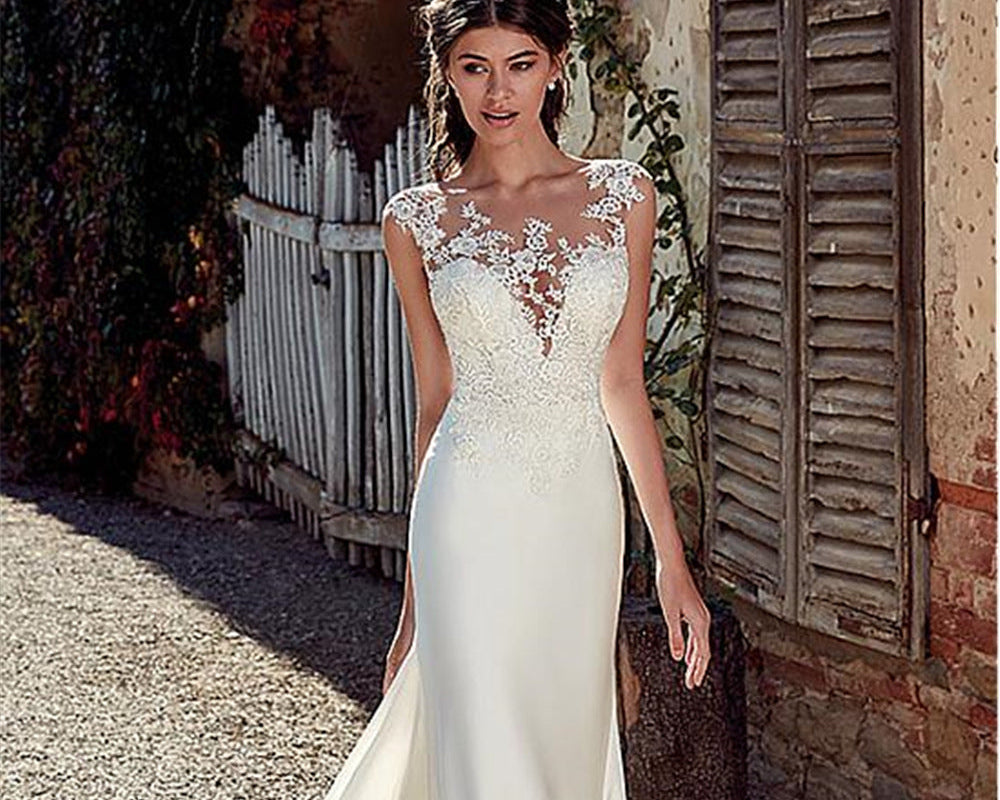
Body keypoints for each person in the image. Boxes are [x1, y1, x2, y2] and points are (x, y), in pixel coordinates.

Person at [322, 1, 711, 797]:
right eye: (474, 67)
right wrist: (411, 613)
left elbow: (622, 384)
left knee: (561, 743)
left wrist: (672, 565)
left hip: (578, 517)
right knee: (487, 753)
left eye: (520, 64)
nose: (498, 91)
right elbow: (435, 404)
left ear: (557, 64)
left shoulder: (624, 197)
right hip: (465, 516)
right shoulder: (418, 221)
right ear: (447, 75)